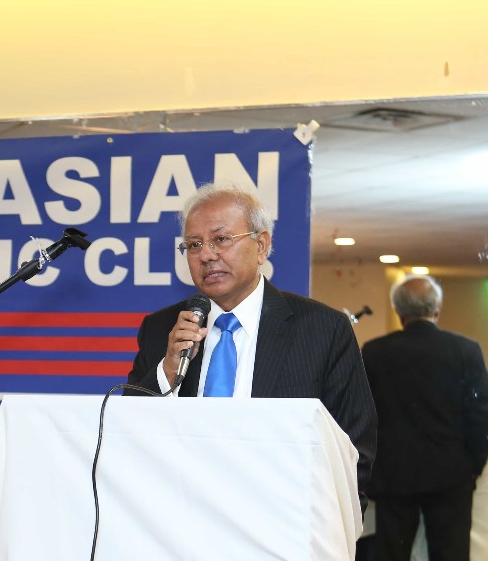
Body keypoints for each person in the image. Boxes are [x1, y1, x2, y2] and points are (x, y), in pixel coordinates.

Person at [124, 184, 377, 503]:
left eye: (221, 239)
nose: (206, 255)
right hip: (178, 513)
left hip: (282, 516)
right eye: (194, 244)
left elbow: (353, 447)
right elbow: (126, 430)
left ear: (261, 245)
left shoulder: (322, 328)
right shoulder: (161, 328)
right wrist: (168, 370)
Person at [361, 275, 488, 561]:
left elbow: (363, 415)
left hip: (393, 478)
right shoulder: (465, 350)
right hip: (450, 477)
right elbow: (481, 414)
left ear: (398, 311)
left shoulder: (375, 352)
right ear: (437, 308)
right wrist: (471, 466)